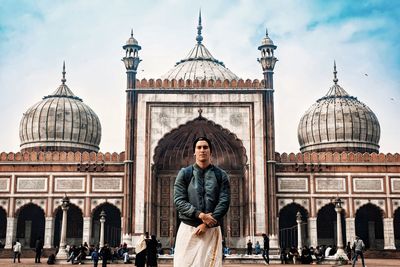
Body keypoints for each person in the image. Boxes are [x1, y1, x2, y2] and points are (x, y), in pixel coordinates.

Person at [173, 137, 230, 267]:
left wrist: (207, 224)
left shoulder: (220, 175)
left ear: (211, 151)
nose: (202, 150)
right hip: (188, 228)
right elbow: (179, 200)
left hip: (211, 229)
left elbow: (224, 202)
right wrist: (201, 215)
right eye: (199, 147)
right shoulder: (185, 173)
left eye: (205, 147)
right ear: (194, 152)